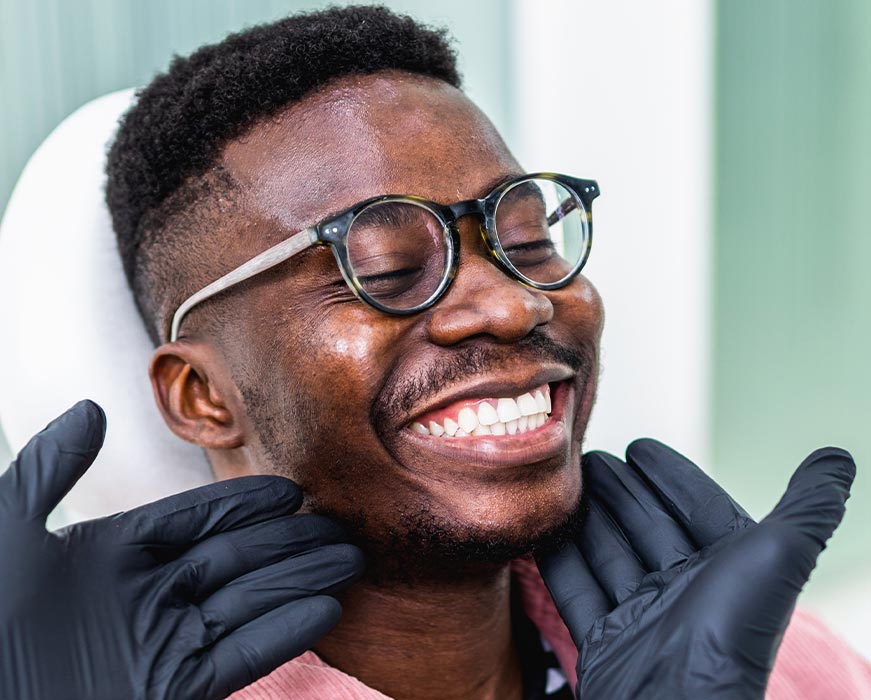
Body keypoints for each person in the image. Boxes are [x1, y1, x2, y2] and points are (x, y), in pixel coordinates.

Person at [1, 6, 868, 700]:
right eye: (385, 264)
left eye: (525, 237)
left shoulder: (748, 652)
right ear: (202, 397)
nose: (512, 300)